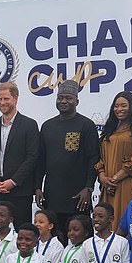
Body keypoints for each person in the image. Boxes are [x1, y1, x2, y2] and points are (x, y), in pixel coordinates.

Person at [35, 79, 100, 231]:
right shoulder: (47, 126)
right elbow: (40, 160)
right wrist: (37, 187)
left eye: (68, 98)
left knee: (79, 238)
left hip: (78, 197)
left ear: (77, 101)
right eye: (60, 98)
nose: (63, 101)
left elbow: (93, 158)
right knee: (55, 240)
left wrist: (88, 188)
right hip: (52, 197)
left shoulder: (86, 125)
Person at [0, 82, 39, 228]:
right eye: (0, 99)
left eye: (6, 99)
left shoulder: (29, 125)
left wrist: (12, 182)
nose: (2, 103)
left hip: (19, 192)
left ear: (15, 98)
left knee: (22, 235)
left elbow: (31, 158)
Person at [95, 91, 132, 230]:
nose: (119, 109)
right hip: (108, 187)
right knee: (107, 226)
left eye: (123, 106)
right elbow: (101, 158)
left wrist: (114, 179)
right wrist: (102, 177)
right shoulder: (110, 128)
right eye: (116, 106)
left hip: (127, 184)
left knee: (125, 225)